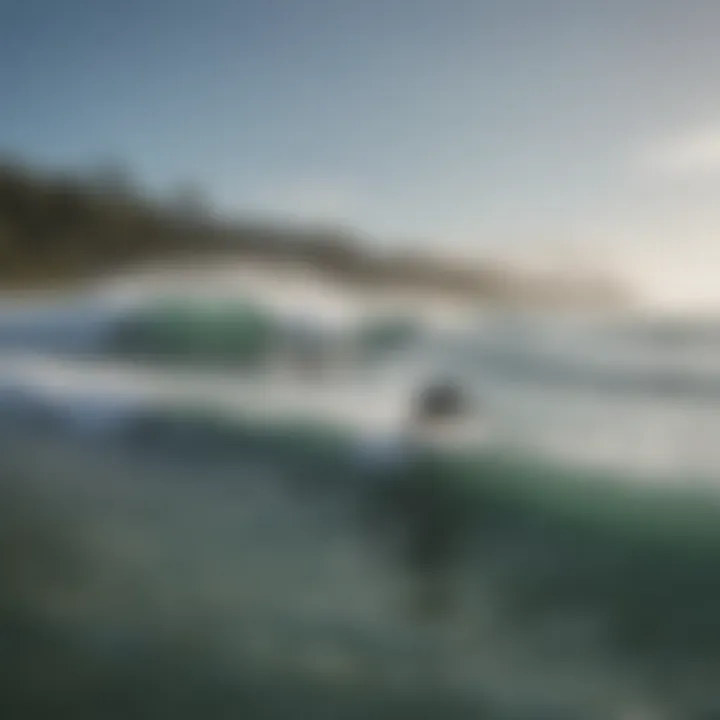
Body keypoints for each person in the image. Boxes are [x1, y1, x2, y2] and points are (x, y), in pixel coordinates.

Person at [360, 378, 474, 624]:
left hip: (417, 506)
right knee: (428, 555)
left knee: (429, 557)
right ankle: (429, 601)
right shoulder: (410, 438)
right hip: (414, 505)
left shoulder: (425, 438)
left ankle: (428, 600)